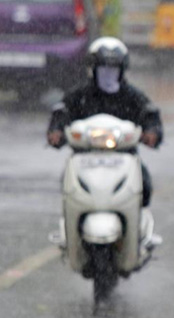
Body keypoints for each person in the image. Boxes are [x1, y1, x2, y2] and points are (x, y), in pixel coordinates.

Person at [46, 36, 163, 207]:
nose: (108, 74)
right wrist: (56, 131)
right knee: (68, 185)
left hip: (124, 156)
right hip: (85, 157)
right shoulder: (79, 96)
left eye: (113, 69)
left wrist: (152, 132)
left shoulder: (132, 97)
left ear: (122, 70)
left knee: (144, 185)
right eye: (103, 68)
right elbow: (62, 113)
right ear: (93, 69)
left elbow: (149, 114)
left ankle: (138, 226)